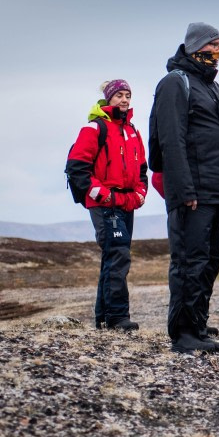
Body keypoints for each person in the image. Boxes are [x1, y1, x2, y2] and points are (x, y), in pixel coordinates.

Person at [150, 22, 219, 354]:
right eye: (213, 45)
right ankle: (184, 333)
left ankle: (198, 327)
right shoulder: (176, 83)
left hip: (217, 191)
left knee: (209, 261)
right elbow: (170, 140)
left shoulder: (211, 86)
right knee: (189, 261)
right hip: (194, 193)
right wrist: (184, 190)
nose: (218, 51)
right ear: (196, 46)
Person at [66, 79, 148, 331]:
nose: (124, 100)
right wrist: (102, 194)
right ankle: (117, 317)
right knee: (118, 255)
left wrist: (140, 193)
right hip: (105, 204)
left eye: (128, 95)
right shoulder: (94, 128)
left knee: (113, 257)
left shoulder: (132, 130)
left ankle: (103, 318)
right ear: (108, 98)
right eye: (119, 95)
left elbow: (142, 169)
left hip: (126, 203)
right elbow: (76, 167)